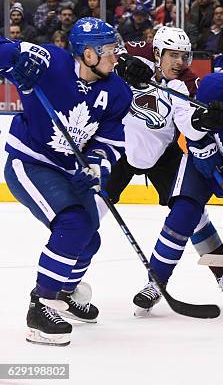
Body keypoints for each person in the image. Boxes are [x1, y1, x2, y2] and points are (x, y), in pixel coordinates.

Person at [0, 17, 133, 346]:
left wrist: (96, 165)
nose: (115, 57)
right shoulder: (51, 60)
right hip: (30, 162)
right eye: (109, 51)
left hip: (70, 169)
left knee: (89, 240)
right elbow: (4, 50)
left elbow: (112, 141)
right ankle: (41, 307)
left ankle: (63, 290)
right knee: (73, 225)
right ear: (88, 54)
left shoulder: (117, 90)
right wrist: (14, 63)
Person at [130, 56, 223, 308]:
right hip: (200, 167)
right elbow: (191, 125)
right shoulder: (212, 86)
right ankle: (156, 282)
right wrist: (200, 147)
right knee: (181, 217)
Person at [109, 27, 223, 310]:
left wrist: (207, 120)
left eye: (185, 56)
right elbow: (108, 46)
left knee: (192, 214)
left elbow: (189, 127)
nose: (180, 62)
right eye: (173, 55)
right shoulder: (138, 53)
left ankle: (222, 274)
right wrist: (123, 64)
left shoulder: (186, 82)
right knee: (90, 209)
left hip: (163, 155)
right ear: (158, 53)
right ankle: (64, 285)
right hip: (120, 149)